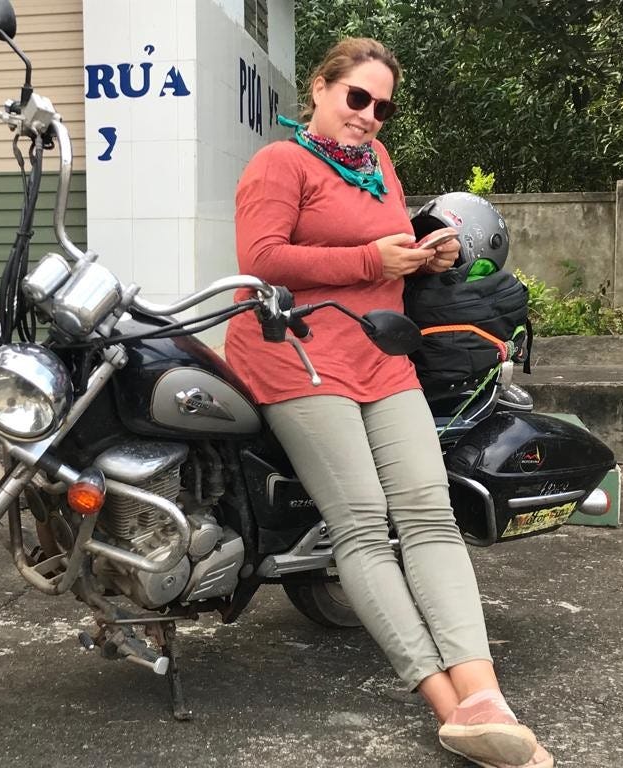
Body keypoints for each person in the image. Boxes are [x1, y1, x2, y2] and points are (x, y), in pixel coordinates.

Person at [224, 37, 553, 768]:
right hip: (297, 353)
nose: (370, 115)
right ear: (321, 88)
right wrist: (373, 260)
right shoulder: (280, 162)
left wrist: (422, 250)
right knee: (365, 525)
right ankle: (447, 706)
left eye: (383, 106)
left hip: (380, 351)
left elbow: (389, 245)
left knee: (429, 513)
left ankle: (485, 696)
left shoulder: (376, 167)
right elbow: (262, 259)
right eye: (357, 98)